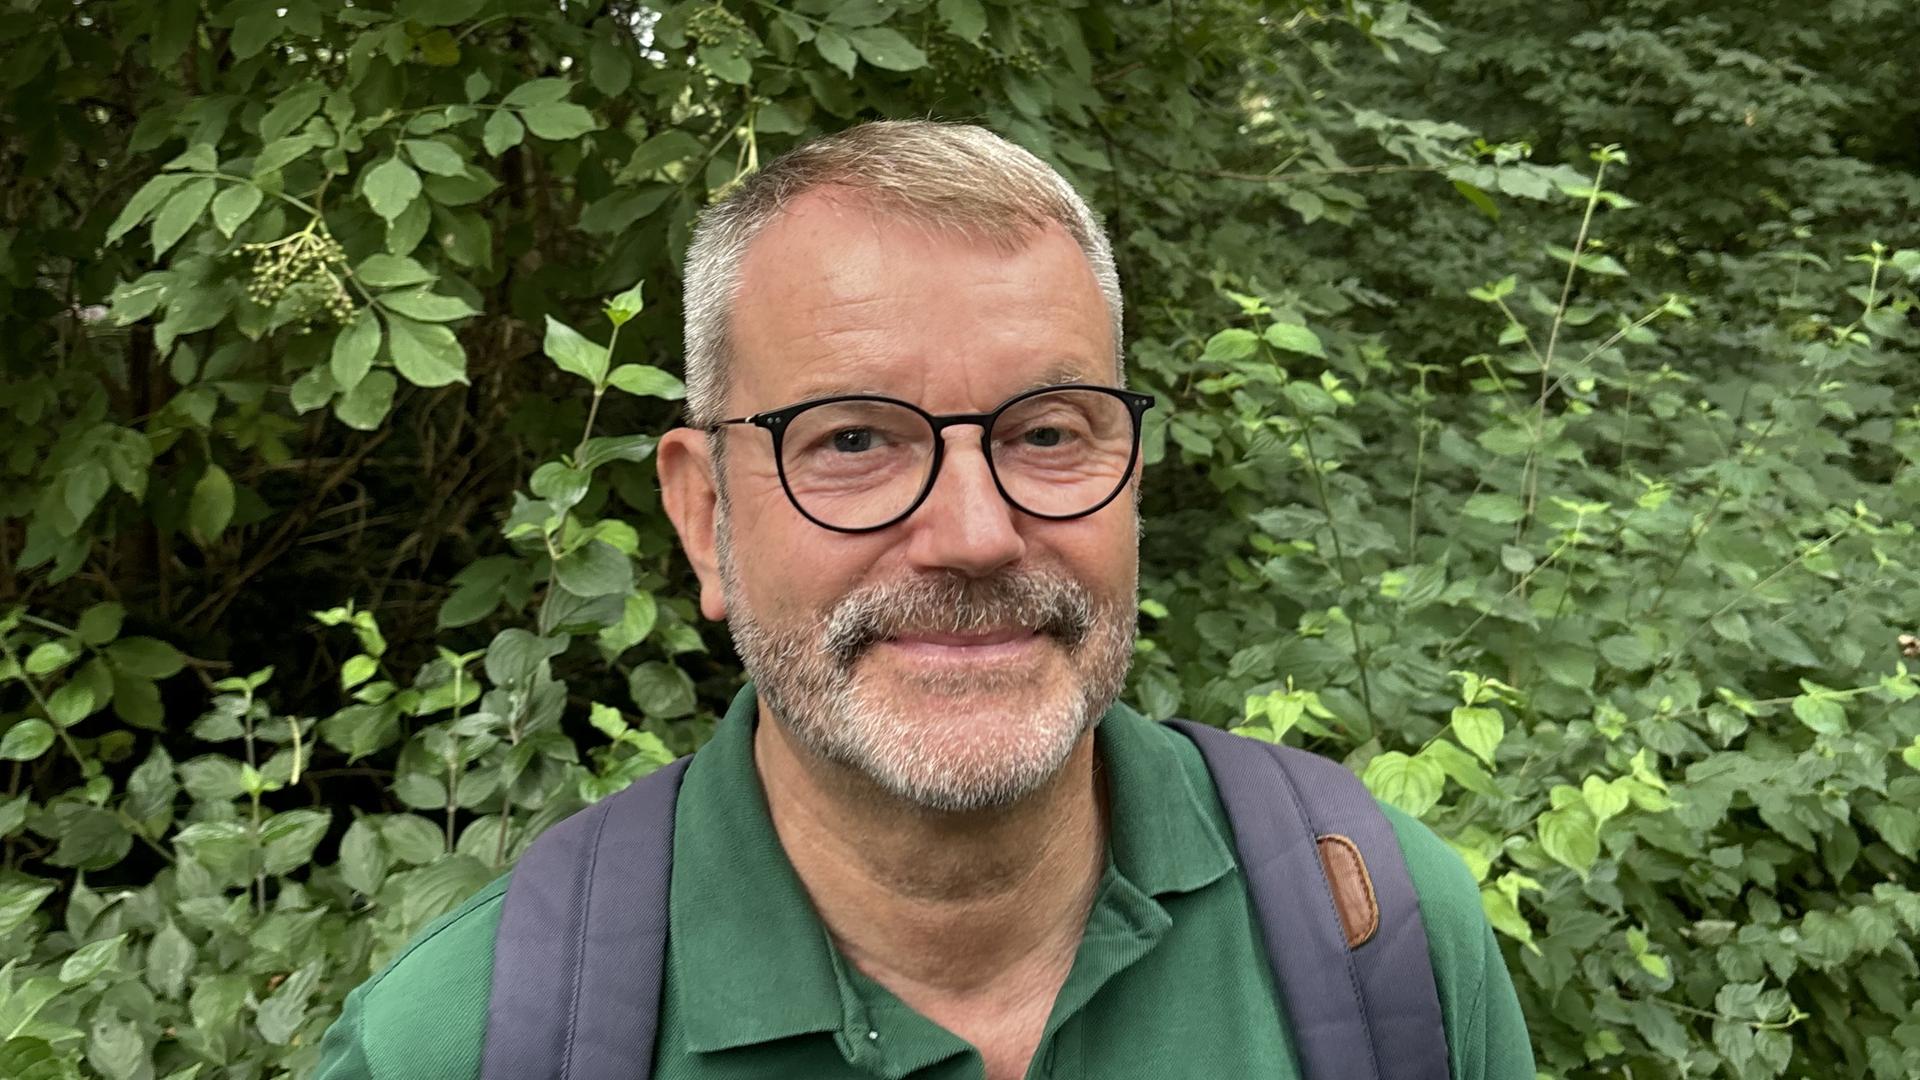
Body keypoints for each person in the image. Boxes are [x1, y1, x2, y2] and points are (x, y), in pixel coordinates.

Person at [315, 120, 1535, 1080]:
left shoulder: (1378, 934)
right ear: (706, 520)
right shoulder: (466, 1043)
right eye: (852, 440)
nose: (975, 535)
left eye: (1050, 431)